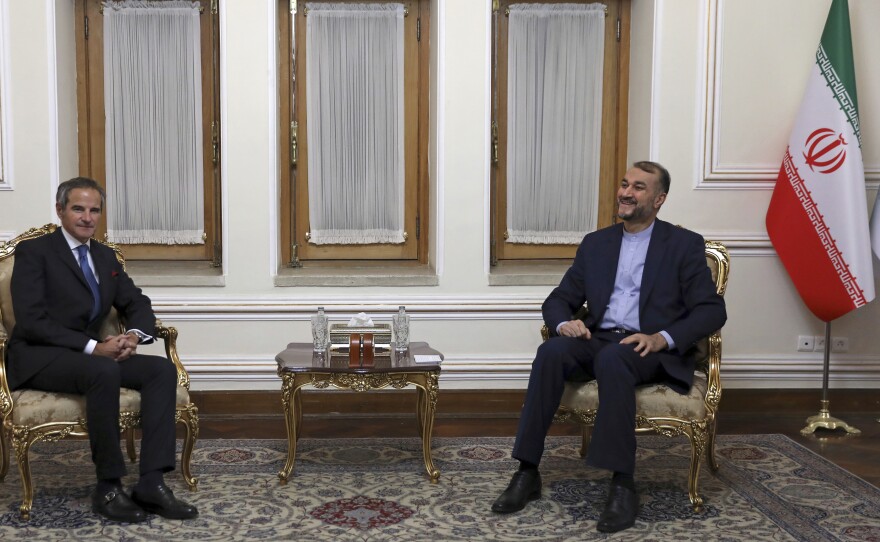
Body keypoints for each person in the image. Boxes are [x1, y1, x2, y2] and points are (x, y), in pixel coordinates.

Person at [491, 161, 727, 533]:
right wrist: (564, 323)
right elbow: (559, 298)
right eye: (624, 184)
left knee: (618, 356)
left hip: (650, 349)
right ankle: (527, 471)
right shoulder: (597, 243)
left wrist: (659, 337)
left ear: (659, 199)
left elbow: (713, 310)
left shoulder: (683, 245)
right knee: (551, 352)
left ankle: (622, 484)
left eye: (638, 187)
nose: (626, 193)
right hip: (599, 339)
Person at [7, 177, 197, 523]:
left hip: (91, 357)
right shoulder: (35, 252)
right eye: (78, 208)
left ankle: (151, 484)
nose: (87, 217)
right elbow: (32, 321)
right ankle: (108, 486)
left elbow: (136, 301)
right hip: (39, 355)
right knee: (103, 369)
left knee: (160, 371)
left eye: (94, 210)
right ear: (60, 210)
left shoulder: (104, 255)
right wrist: (95, 346)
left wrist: (134, 336)